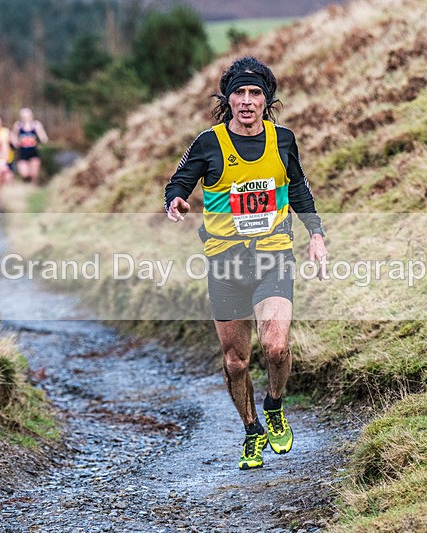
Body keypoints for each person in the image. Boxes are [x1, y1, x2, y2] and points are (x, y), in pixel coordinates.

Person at [164, 56, 328, 470]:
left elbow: (301, 190)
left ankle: (274, 405)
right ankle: (252, 429)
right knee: (236, 360)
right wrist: (176, 200)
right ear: (229, 99)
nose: (248, 100)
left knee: (276, 345)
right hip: (225, 264)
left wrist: (317, 235)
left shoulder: (283, 140)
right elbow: (179, 181)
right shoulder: (209, 143)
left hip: (273, 254)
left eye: (256, 93)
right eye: (239, 92)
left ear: (267, 100)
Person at [10, 107, 48, 185]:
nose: (25, 118)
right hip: (22, 152)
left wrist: (42, 139)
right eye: (23, 116)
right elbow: (13, 135)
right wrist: (15, 142)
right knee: (24, 174)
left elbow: (43, 136)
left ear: (31, 116)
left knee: (34, 174)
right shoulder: (18, 125)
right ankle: (26, 187)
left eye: (27, 116)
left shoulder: (36, 124)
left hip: (33, 152)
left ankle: (33, 188)